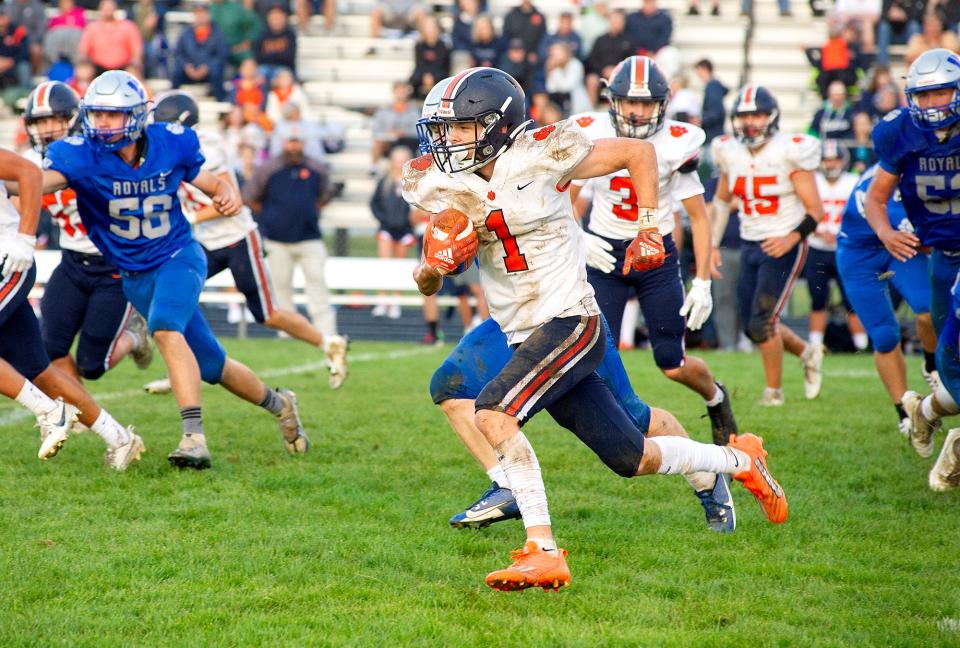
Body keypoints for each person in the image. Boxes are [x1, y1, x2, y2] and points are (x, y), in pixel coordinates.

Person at [408, 67, 787, 591]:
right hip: (522, 331)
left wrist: (649, 227)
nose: (447, 140)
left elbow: (639, 154)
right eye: (443, 128)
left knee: (493, 412)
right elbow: (426, 283)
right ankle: (741, 459)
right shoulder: (446, 184)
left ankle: (541, 549)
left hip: (569, 321)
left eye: (459, 127)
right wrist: (435, 265)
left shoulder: (541, 153)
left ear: (496, 126)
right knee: (633, 458)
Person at [36, 70, 311, 469]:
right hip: (134, 277)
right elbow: (39, 181)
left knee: (165, 328)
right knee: (214, 366)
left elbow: (211, 182)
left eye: (112, 115)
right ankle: (281, 404)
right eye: (97, 114)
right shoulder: (80, 155)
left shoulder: (169, 143)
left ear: (136, 116)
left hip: (178, 257)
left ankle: (193, 438)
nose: (103, 124)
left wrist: (227, 192)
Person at [570, 56, 739, 447]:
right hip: (604, 253)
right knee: (595, 354)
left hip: (656, 255)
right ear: (613, 101)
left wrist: (701, 282)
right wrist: (580, 239)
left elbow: (698, 217)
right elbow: (565, 196)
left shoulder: (676, 142)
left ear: (662, 104)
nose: (639, 111)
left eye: (647, 103)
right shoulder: (590, 133)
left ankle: (716, 396)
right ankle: (626, 431)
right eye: (632, 102)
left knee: (672, 362)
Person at [153, 92, 349, 388]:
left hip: (237, 238)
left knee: (267, 314)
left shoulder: (207, 145)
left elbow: (227, 198)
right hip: (206, 243)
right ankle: (185, 366)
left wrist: (187, 218)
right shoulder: (162, 149)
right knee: (176, 297)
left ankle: (329, 342)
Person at [0, 140, 142, 469]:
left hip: (8, 258)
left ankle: (49, 411)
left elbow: (28, 172)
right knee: (39, 370)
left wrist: (24, 238)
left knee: (68, 366)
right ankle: (119, 437)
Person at [865, 48, 960, 488]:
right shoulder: (898, 132)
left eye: (943, 92)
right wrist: (886, 233)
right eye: (925, 95)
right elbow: (876, 198)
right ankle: (924, 412)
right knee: (949, 360)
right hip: (941, 257)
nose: (935, 104)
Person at [23, 80, 153, 385]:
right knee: (48, 346)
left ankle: (135, 335)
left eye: (53, 119)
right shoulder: (30, 163)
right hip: (72, 262)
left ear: (72, 118)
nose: (45, 129)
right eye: (38, 122)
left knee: (92, 364)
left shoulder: (98, 154)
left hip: (113, 266)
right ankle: (79, 411)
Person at [710, 85, 825, 405]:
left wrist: (790, 238)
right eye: (745, 116)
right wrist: (712, 246)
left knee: (762, 322)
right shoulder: (728, 151)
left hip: (785, 242)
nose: (750, 122)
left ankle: (773, 393)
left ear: (771, 117)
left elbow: (816, 211)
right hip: (749, 241)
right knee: (753, 326)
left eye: (757, 115)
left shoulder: (789, 150)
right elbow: (720, 203)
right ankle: (807, 352)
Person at [836, 164, 939, 436]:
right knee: (884, 337)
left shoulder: (926, 172)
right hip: (860, 253)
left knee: (927, 307)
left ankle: (933, 366)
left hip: (900, 247)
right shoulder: (886, 184)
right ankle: (905, 413)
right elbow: (928, 239)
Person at [243, 121, 339, 342]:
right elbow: (250, 196)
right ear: (283, 142)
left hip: (309, 238)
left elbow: (325, 195)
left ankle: (327, 333)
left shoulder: (316, 167)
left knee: (318, 286)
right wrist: (272, 216)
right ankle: (288, 333)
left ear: (303, 143)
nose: (294, 146)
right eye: (290, 141)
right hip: (277, 240)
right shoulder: (268, 169)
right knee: (281, 288)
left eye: (297, 141)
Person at [806, 139, 867, 352]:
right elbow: (799, 212)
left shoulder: (853, 182)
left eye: (834, 160)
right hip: (817, 248)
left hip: (845, 248)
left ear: (843, 160)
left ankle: (862, 346)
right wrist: (816, 230)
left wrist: (840, 234)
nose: (830, 164)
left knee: (852, 299)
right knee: (817, 298)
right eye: (826, 160)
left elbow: (862, 215)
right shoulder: (812, 182)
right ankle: (815, 346)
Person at [370, 146, 416, 319]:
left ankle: (395, 301)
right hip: (387, 229)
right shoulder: (384, 181)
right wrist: (384, 219)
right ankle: (382, 301)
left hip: (405, 230)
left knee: (399, 266)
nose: (399, 163)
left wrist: (408, 223)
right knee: (385, 265)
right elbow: (374, 204)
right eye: (396, 159)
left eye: (403, 159)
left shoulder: (413, 182)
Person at [171, 1, 229, 101]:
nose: (200, 16)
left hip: (208, 71)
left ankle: (220, 102)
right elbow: (178, 53)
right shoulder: (186, 33)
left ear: (208, 15)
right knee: (176, 72)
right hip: (189, 70)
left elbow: (222, 55)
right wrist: (187, 66)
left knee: (217, 73)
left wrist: (207, 67)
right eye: (197, 13)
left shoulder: (218, 34)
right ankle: (173, 100)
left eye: (203, 13)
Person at [77, 0, 143, 75]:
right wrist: (84, 62)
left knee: (135, 71)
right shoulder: (92, 28)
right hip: (97, 68)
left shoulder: (128, 26)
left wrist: (135, 61)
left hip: (124, 68)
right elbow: (83, 50)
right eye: (105, 8)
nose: (107, 10)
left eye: (110, 8)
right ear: (100, 9)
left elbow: (136, 49)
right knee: (84, 71)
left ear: (115, 9)